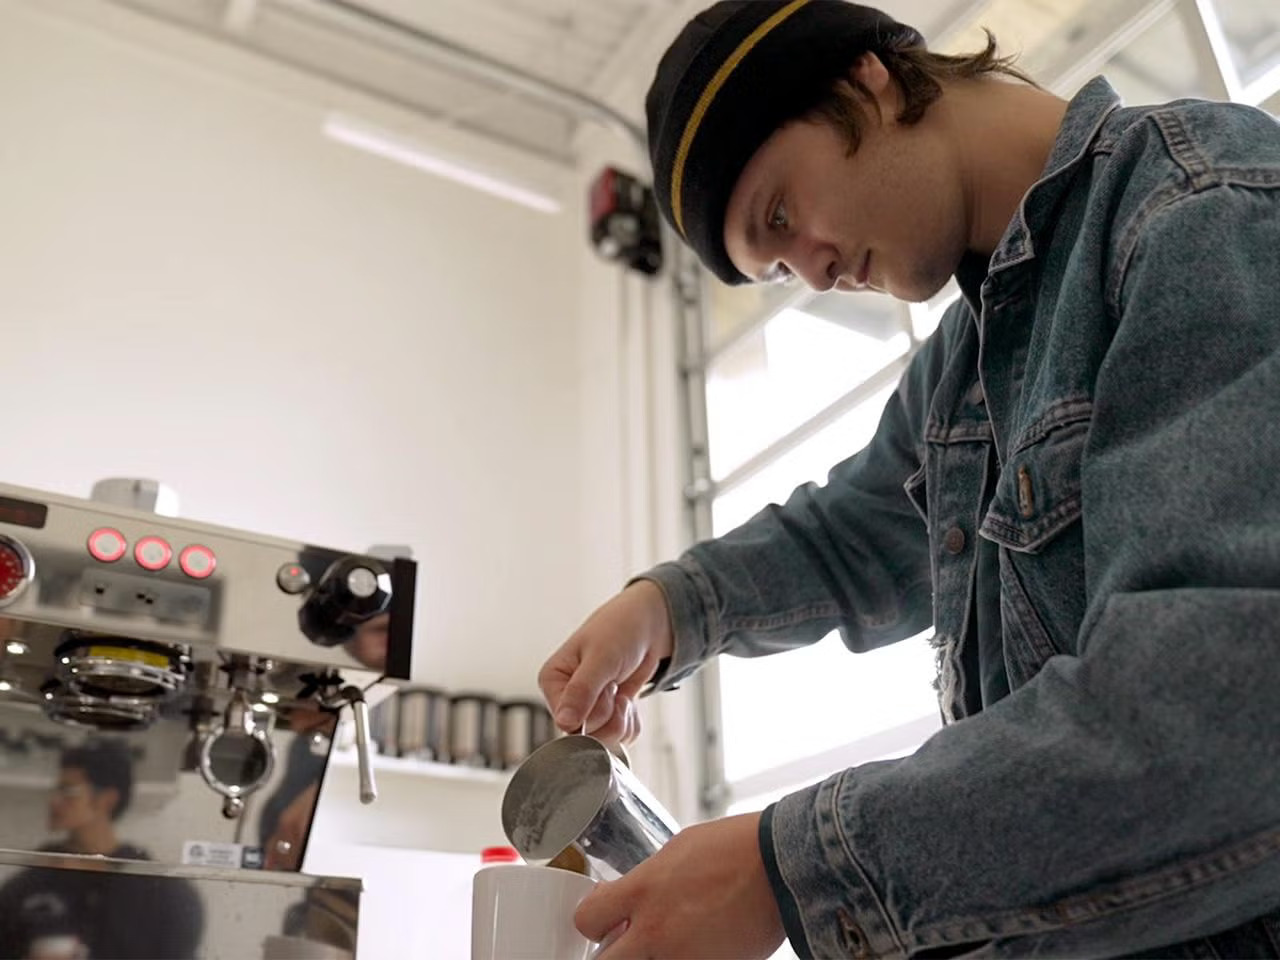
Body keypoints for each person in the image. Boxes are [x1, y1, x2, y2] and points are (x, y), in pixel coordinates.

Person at [537, 1, 1280, 957]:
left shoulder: (1201, 211)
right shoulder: (965, 360)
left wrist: (784, 870)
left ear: (866, 82)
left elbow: (1223, 707)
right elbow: (854, 536)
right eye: (776, 266)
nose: (814, 268)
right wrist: (672, 608)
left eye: (781, 213)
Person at [0, 740, 204, 958]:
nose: (54, 801)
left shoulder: (165, 894)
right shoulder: (28, 886)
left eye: (68, 791)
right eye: (56, 790)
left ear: (106, 800)